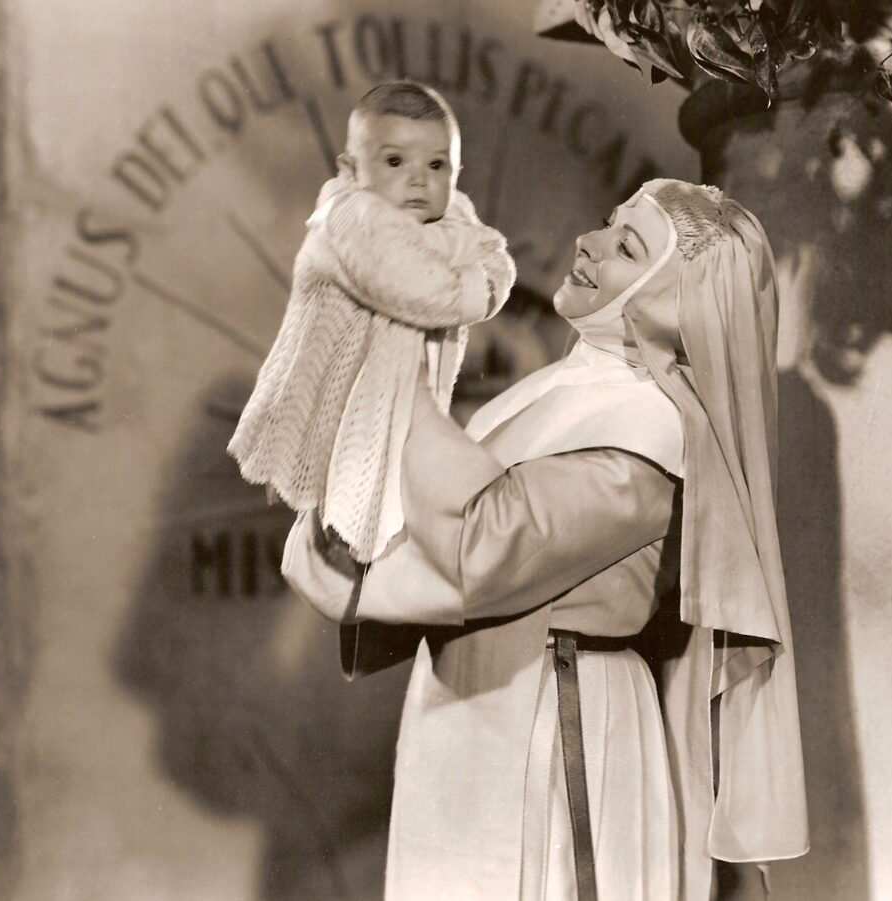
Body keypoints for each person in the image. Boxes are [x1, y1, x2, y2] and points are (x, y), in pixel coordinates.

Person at [284, 179, 809, 900]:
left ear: (671, 302)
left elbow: (484, 546)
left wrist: (395, 358)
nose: (588, 245)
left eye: (627, 248)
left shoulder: (654, 435)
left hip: (559, 725)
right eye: (606, 224)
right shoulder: (565, 389)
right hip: (479, 700)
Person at [228, 81, 516, 563]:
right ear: (351, 169)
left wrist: (484, 271)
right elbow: (414, 286)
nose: (419, 180)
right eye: (395, 161)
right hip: (344, 414)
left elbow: (495, 254)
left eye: (437, 165)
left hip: (404, 406)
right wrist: (481, 285)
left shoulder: (452, 217)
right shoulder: (351, 217)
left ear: (457, 171)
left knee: (395, 540)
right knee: (357, 534)